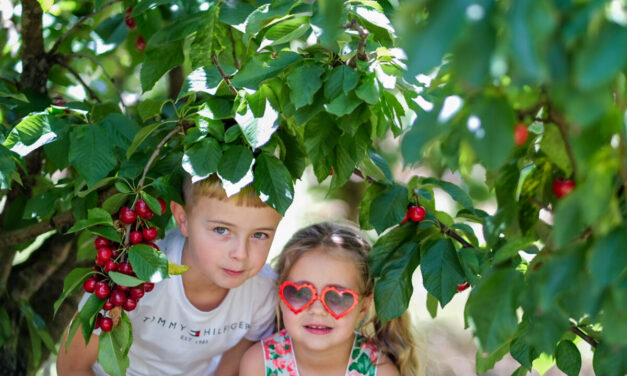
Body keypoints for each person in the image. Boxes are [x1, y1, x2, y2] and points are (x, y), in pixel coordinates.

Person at [57, 174, 284, 375]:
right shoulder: (133, 277)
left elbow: (230, 367)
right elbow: (73, 367)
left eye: (260, 235)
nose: (240, 254)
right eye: (221, 230)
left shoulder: (262, 292)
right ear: (182, 220)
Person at [240, 222, 423, 376]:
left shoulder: (379, 372)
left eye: (338, 297)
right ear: (280, 296)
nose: (318, 310)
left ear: (363, 307)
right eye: (300, 293)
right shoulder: (259, 365)